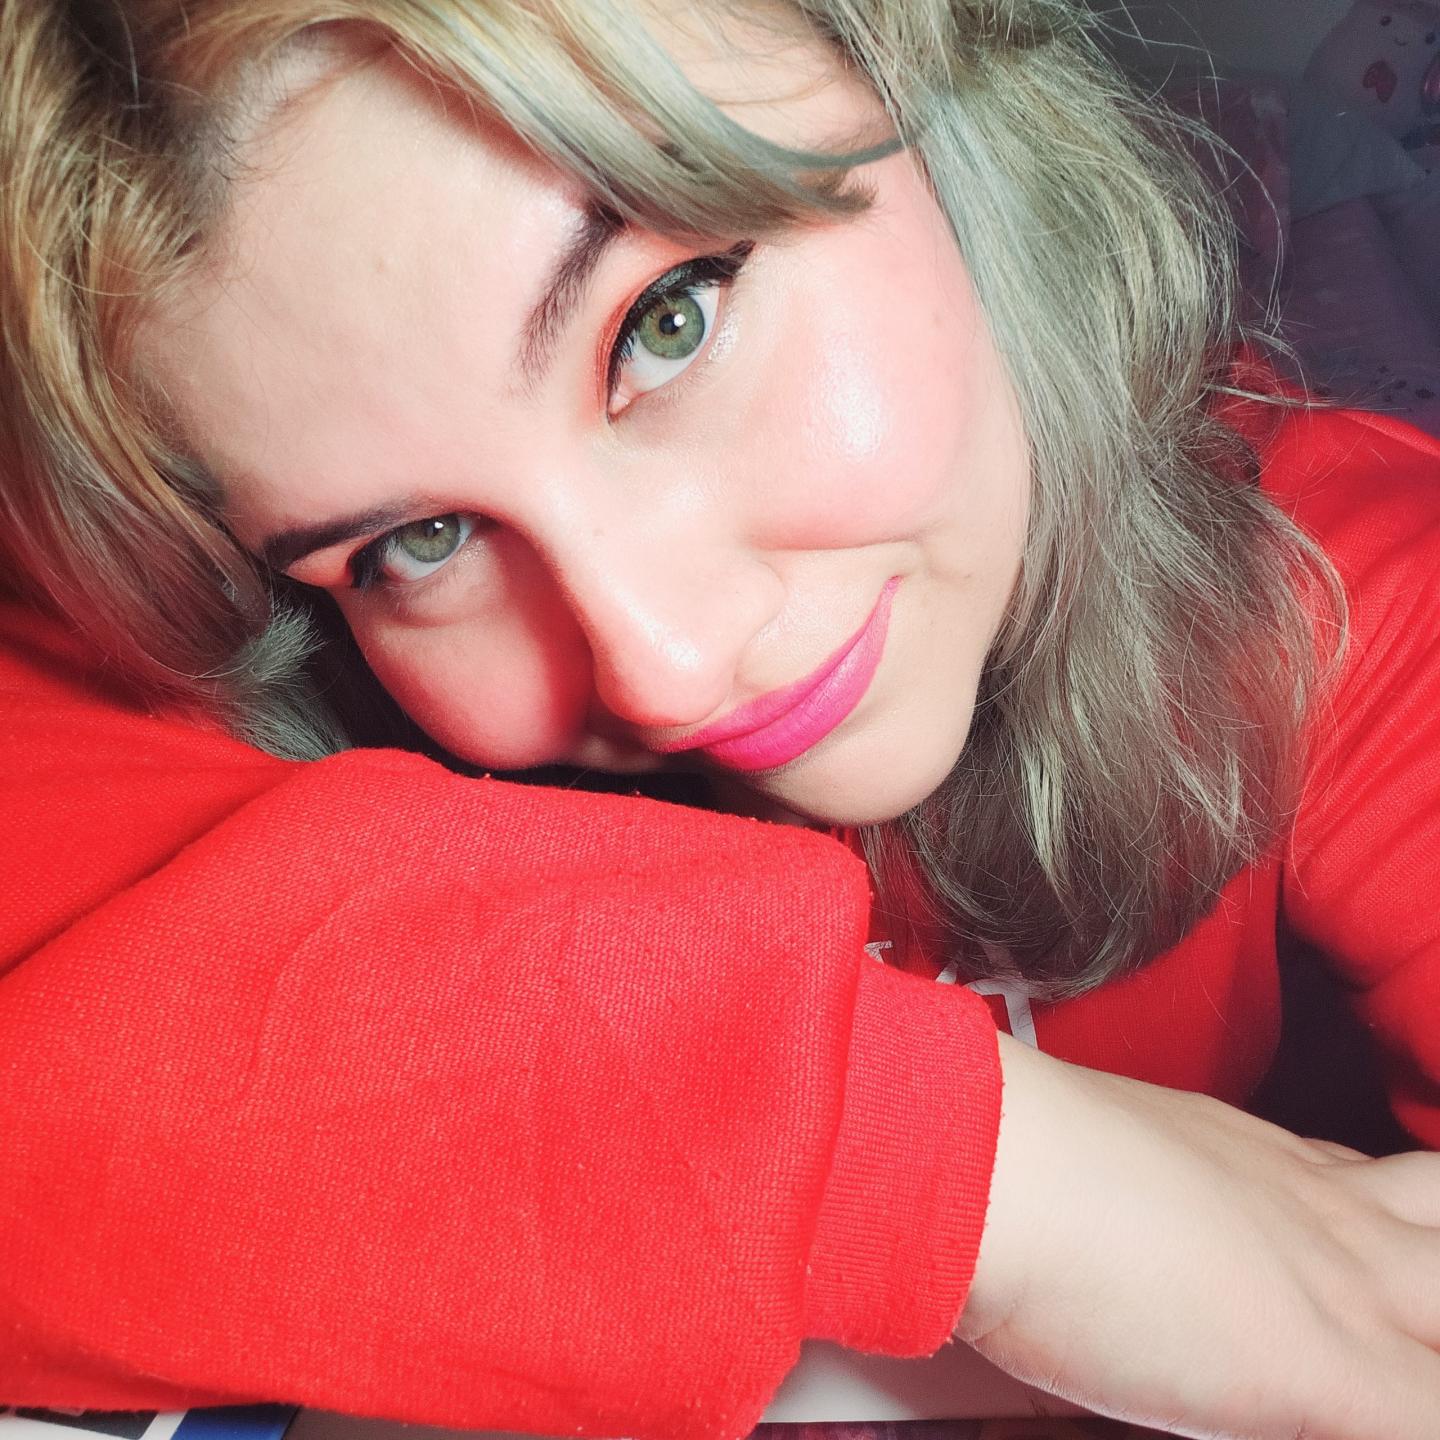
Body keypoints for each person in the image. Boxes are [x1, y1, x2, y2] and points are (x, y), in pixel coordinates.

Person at [2, 1, 1439, 1437]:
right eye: (419, 542)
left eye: (667, 322)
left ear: (907, 65)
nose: (663, 669)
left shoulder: (1338, 595)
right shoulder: (298, 681)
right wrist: (963, 1172)